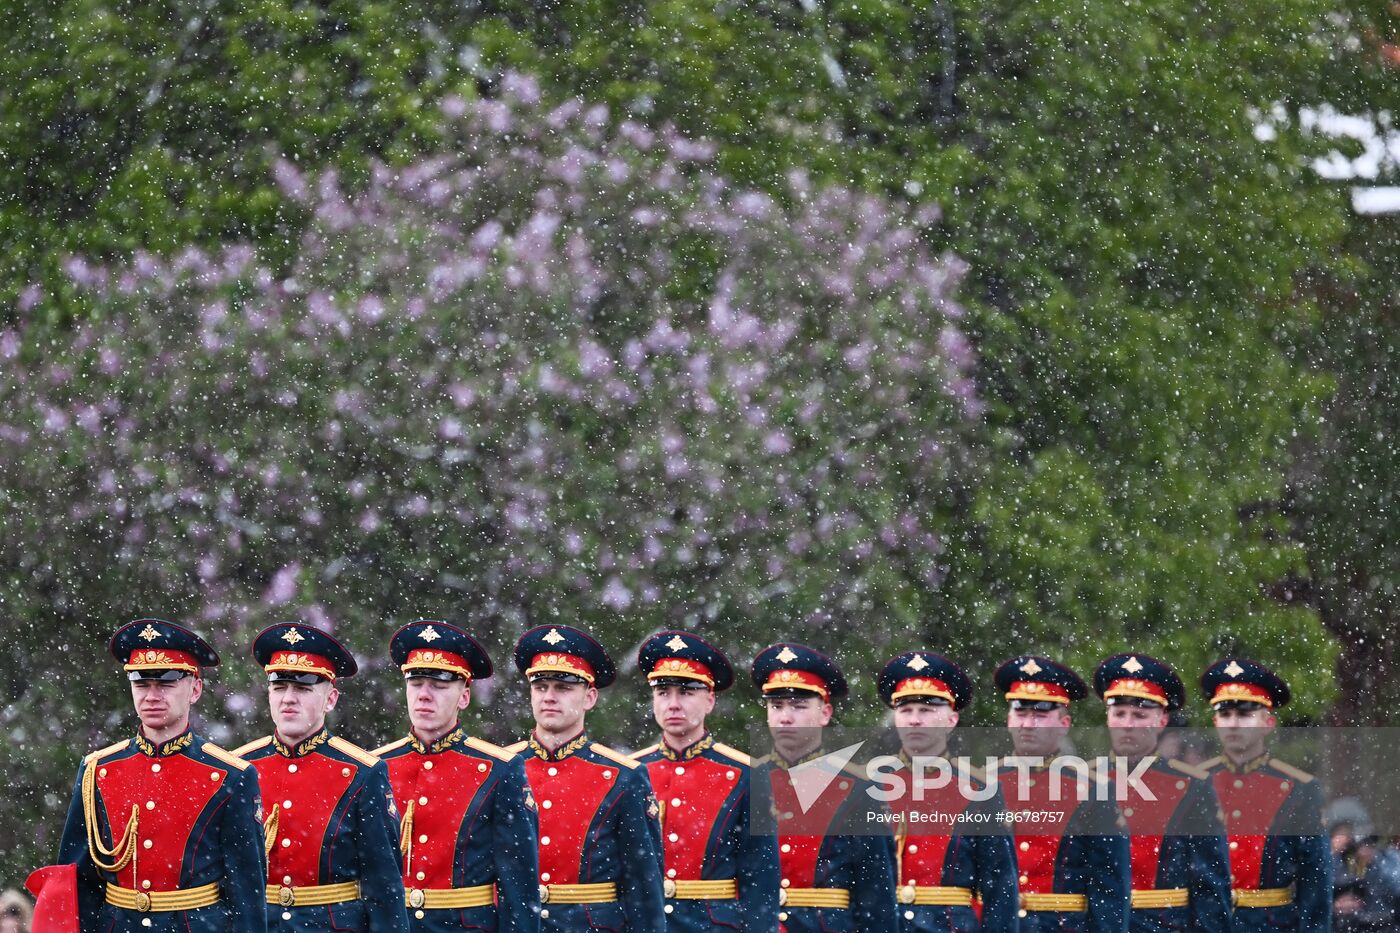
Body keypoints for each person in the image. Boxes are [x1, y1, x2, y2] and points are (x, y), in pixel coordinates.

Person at [54, 618, 267, 931]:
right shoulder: (97, 769)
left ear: (195, 689)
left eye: (165, 683)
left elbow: (246, 891)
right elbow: (77, 882)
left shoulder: (231, 776)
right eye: (141, 683)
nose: (151, 695)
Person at [233, 622, 408, 932]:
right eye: (279, 686)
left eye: (302, 688)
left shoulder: (362, 773)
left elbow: (383, 887)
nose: (288, 698)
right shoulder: (239, 768)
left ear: (331, 699)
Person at [373, 620, 540, 932]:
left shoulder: (499, 770)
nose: (424, 695)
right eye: (416, 682)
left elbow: (518, 888)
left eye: (438, 685)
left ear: (464, 696)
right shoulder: (375, 767)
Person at [505, 625, 665, 932]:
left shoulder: (624, 776)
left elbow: (643, 887)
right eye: (540, 687)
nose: (549, 696)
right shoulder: (502, 768)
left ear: (589, 697)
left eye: (563, 688)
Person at [630, 630, 781, 931]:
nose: (673, 703)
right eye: (663, 692)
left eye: (686, 692)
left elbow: (759, 879)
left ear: (710, 700)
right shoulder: (631, 772)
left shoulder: (746, 774)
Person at [750, 642, 899, 933]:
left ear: (825, 713)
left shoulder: (860, 790)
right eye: (776, 705)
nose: (785, 717)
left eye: (798, 706)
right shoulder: (747, 781)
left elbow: (876, 898)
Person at [876, 650, 1019, 933]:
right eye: (905, 710)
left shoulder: (979, 791)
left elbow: (999, 889)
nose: (915, 720)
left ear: (952, 720)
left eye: (926, 710)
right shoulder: (869, 789)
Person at [1092, 653, 1232, 933]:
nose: (1128, 724)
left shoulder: (1192, 786)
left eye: (1140, 715)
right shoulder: (1082, 781)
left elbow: (1209, 884)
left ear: (1162, 720)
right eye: (1119, 713)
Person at [994, 655, 1130, 933]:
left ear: (1064, 724)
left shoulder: (1093, 790)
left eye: (1040, 714)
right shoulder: (980, 786)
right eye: (1020, 713)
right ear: (1008, 719)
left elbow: (1108, 887)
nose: (1028, 724)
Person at [1200, 658, 1331, 933]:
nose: (1233, 724)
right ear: (1214, 721)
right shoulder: (1193, 783)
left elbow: (1315, 880)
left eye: (1244, 714)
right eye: (1225, 715)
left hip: (1271, 924)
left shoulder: (1300, 787)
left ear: (1268, 723)